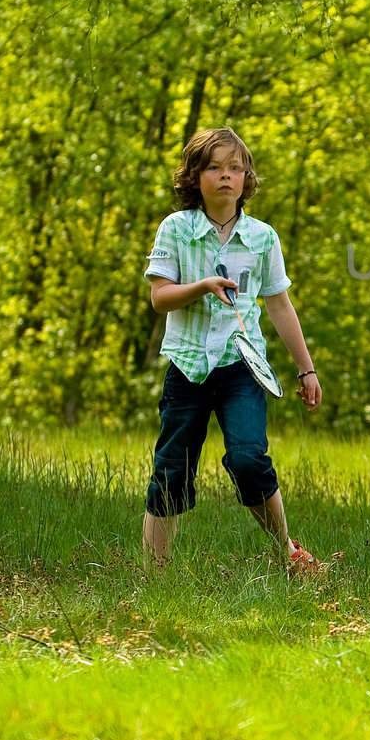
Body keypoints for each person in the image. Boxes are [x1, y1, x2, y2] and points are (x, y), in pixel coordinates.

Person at [141, 126, 327, 576]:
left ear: (247, 179)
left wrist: (306, 371)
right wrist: (202, 286)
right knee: (171, 468)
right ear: (194, 176)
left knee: (248, 458)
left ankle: (289, 552)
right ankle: (155, 576)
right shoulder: (176, 229)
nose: (226, 176)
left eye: (235, 168)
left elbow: (280, 305)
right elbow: (159, 297)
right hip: (187, 368)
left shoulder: (263, 237)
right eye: (214, 167)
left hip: (241, 367)